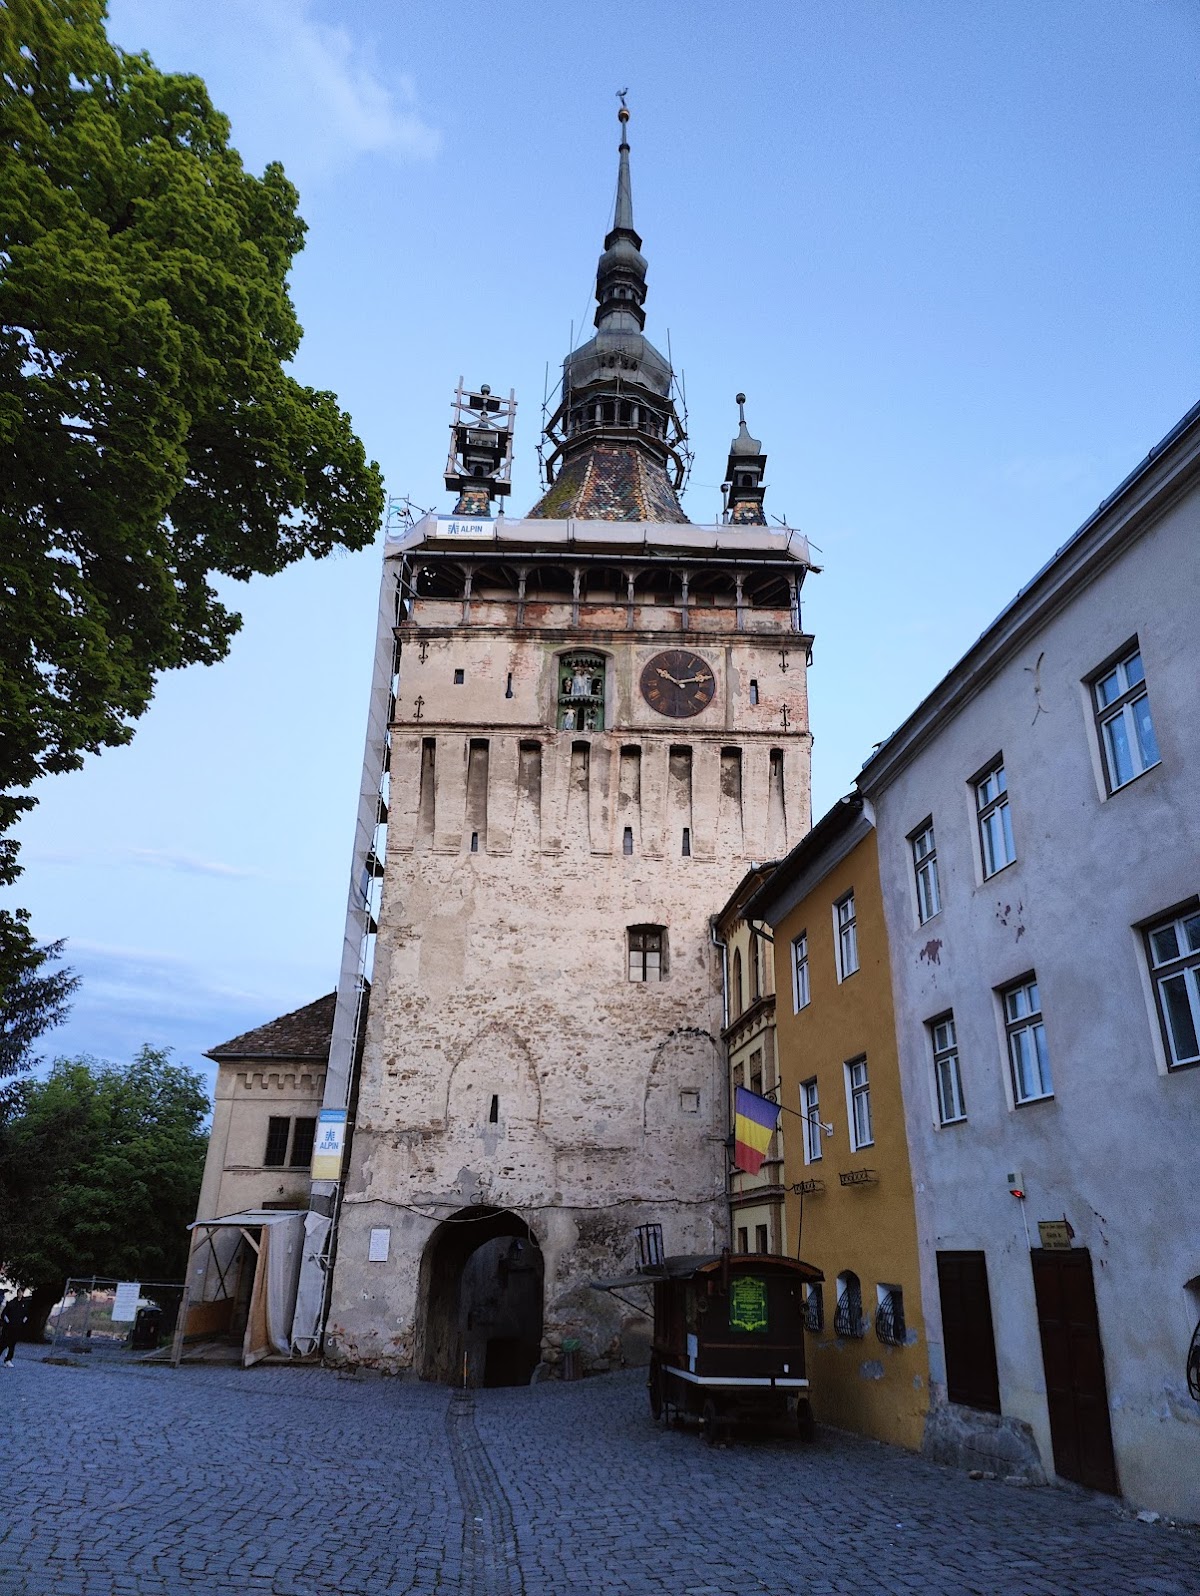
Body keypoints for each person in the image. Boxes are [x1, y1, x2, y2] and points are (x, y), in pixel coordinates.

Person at [1, 1294, 27, 1365]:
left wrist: (22, 1322)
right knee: (4, 1343)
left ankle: (8, 1360)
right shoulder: (11, 1303)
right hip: (8, 1328)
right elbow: (4, 1314)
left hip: (17, 1328)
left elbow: (25, 1315)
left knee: (12, 1344)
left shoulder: (23, 1305)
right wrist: (8, 1322)